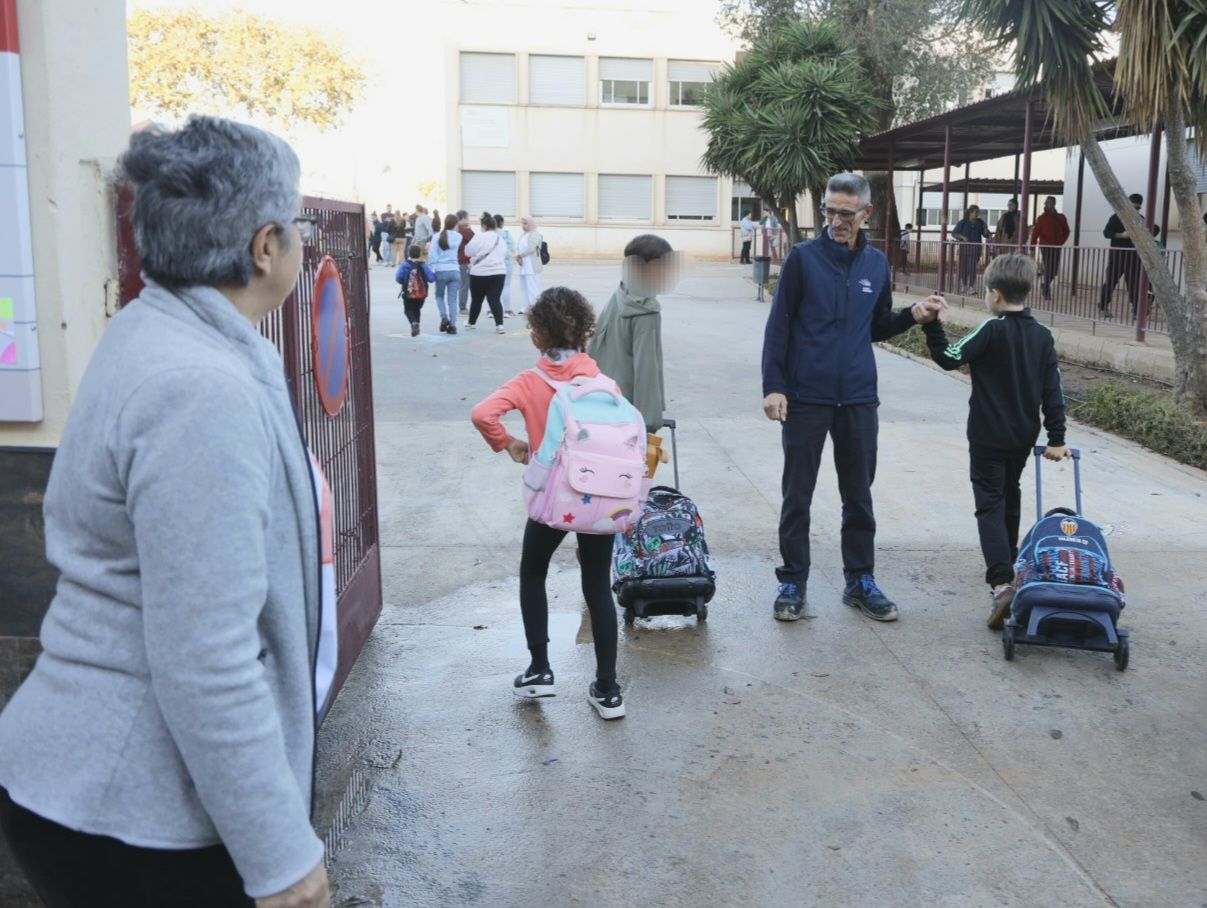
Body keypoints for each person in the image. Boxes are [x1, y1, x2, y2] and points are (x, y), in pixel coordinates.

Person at [0, 116, 332, 908]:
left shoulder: (162, 332)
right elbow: (206, 654)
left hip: (103, 785)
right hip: (134, 810)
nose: (302, 243)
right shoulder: (198, 388)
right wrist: (281, 857)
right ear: (264, 247)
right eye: (298, 227)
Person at [761, 171, 944, 624]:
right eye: (830, 211)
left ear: (866, 213)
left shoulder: (876, 265)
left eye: (846, 213)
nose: (836, 221)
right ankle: (793, 582)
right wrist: (773, 386)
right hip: (806, 396)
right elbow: (779, 326)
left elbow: (876, 325)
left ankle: (860, 580)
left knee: (859, 496)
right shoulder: (803, 259)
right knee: (797, 495)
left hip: (859, 397)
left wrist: (912, 315)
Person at [470, 287, 626, 720]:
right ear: (585, 334)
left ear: (537, 337)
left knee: (533, 572)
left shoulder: (528, 382)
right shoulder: (604, 384)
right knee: (597, 585)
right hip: (598, 498)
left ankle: (540, 668)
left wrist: (509, 443)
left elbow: (482, 413)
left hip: (553, 497)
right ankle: (608, 690)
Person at [921, 254, 1068, 629]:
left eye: (986, 292)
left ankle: (1002, 582)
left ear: (996, 294)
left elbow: (949, 357)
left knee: (989, 503)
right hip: (1022, 436)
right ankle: (1011, 560)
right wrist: (1057, 437)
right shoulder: (1042, 336)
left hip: (987, 436)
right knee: (1010, 492)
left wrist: (933, 326)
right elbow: (1053, 390)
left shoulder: (991, 329)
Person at [588, 234, 677, 477]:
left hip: (602, 401)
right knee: (630, 484)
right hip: (628, 415)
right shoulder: (644, 310)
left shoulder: (622, 293)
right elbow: (647, 368)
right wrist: (649, 426)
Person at [1099, 193, 1145, 318]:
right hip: (1117, 256)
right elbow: (1106, 233)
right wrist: (1121, 235)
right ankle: (1102, 307)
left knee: (1134, 283)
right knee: (1110, 282)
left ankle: (1137, 310)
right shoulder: (1116, 217)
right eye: (1133, 207)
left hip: (1134, 256)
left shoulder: (1140, 219)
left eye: (1137, 208)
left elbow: (1150, 231)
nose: (1135, 210)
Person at [464, 211, 508, 333]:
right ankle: (500, 325)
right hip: (499, 272)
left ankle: (471, 323)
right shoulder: (500, 239)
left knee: (477, 300)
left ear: (484, 225)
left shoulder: (479, 237)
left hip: (479, 273)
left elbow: (468, 252)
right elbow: (505, 253)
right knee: (495, 299)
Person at [1028, 196, 1071, 300]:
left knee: (1054, 270)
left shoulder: (1061, 217)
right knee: (1049, 266)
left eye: (1049, 202)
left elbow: (1067, 230)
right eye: (1046, 202)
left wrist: (1061, 241)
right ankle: (1046, 289)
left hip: (1056, 246)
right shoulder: (1041, 218)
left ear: (1054, 204)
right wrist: (1032, 247)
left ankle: (1045, 285)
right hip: (1046, 246)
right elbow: (1035, 233)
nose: (1046, 204)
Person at [428, 213, 462, 335]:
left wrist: (433, 267)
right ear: (455, 224)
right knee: (452, 300)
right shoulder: (459, 237)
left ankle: (444, 317)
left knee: (439, 296)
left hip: (441, 270)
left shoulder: (437, 236)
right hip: (455, 270)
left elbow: (432, 254)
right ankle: (453, 326)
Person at [396, 244, 436, 337]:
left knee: (408, 310)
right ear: (420, 254)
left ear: (408, 253)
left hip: (409, 292)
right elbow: (431, 278)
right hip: (421, 293)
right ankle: (417, 326)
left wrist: (405, 282)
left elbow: (398, 278)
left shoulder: (405, 264)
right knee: (417, 309)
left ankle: (414, 323)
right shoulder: (424, 265)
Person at [952, 204, 991, 292]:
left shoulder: (980, 223)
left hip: (975, 249)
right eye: (975, 212)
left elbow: (986, 235)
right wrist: (962, 237)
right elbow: (954, 233)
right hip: (964, 249)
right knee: (963, 268)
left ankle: (971, 286)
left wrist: (985, 229)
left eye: (978, 212)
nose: (977, 214)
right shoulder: (963, 222)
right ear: (970, 212)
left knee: (972, 268)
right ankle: (963, 285)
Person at [514, 215, 544, 315]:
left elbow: (531, 249)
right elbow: (518, 247)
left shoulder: (535, 234)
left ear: (530, 223)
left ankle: (535, 308)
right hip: (523, 265)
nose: (523, 226)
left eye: (525, 223)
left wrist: (520, 255)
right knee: (524, 287)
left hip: (532, 266)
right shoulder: (523, 235)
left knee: (533, 288)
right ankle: (526, 307)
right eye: (522, 223)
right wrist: (518, 257)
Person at [495, 213, 517, 315]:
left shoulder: (490, 235)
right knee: (506, 286)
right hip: (507, 264)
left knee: (493, 288)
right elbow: (513, 249)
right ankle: (507, 310)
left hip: (494, 264)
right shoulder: (507, 234)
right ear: (502, 223)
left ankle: (492, 310)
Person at [455, 209, 474, 313]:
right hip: (464, 261)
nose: (468, 220)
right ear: (462, 219)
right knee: (464, 285)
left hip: (459, 260)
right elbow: (474, 238)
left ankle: (462, 306)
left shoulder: (456, 229)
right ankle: (462, 307)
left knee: (462, 284)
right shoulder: (463, 230)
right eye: (467, 218)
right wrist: (469, 228)